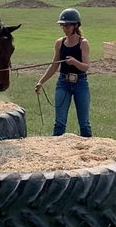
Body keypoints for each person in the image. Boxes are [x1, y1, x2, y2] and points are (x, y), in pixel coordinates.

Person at [34, 8, 92, 137]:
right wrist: (41, 82)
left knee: (84, 123)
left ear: (75, 26)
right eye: (62, 25)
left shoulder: (83, 43)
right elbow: (54, 65)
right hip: (63, 84)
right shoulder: (59, 43)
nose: (64, 28)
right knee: (59, 122)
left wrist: (75, 62)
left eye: (67, 25)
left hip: (80, 84)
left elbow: (85, 67)